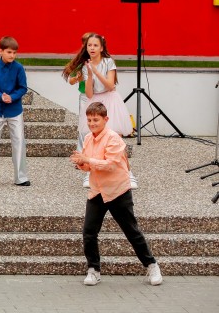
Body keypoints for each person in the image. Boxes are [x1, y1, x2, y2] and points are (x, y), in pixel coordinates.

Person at [70, 102, 162, 287]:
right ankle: (93, 270)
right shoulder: (88, 138)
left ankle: (151, 265)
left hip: (118, 191)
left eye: (95, 120)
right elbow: (90, 166)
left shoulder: (114, 139)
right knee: (89, 232)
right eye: (89, 120)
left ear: (106, 119)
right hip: (97, 191)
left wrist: (87, 159)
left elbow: (110, 165)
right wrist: (81, 163)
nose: (92, 123)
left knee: (132, 232)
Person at [65, 33, 138, 189]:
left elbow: (110, 85)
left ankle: (128, 174)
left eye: (95, 45)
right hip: (95, 100)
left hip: (110, 100)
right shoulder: (85, 66)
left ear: (101, 48)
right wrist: (89, 75)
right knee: (92, 138)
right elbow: (90, 93)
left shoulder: (108, 62)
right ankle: (89, 174)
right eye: (89, 45)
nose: (92, 48)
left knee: (116, 139)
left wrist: (96, 72)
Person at [0, 36, 30, 186]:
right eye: (9, 52)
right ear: (0, 51)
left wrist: (12, 97)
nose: (12, 55)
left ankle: (21, 177)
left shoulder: (19, 68)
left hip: (15, 110)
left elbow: (23, 88)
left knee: (19, 141)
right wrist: (1, 97)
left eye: (14, 53)